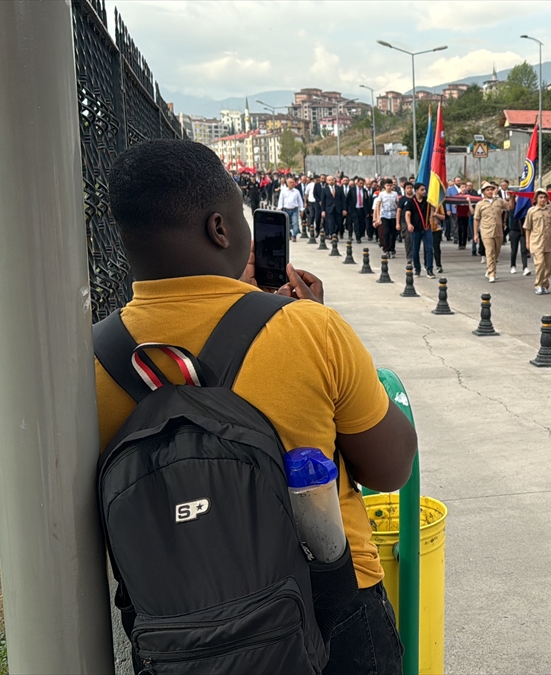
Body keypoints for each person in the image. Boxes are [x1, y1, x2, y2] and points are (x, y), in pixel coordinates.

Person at [99, 139, 416, 674]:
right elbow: (392, 468)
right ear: (220, 229)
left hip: (178, 630)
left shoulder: (93, 358)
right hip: (329, 613)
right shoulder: (309, 329)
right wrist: (310, 325)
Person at [523, 189, 551, 295]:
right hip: (537, 242)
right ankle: (538, 285)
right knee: (540, 264)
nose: (542, 200)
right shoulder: (531, 211)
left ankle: (545, 284)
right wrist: (527, 241)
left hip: (549, 242)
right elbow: (527, 227)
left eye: (545, 197)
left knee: (548, 266)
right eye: (540, 197)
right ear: (536, 199)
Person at [472, 181, 509, 282]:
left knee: (496, 252)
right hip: (486, 231)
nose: (489, 191)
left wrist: (513, 198)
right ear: (483, 192)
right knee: (490, 252)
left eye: (491, 189)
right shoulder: (480, 204)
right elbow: (476, 219)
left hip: (498, 230)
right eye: (487, 190)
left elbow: (509, 207)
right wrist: (475, 234)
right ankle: (492, 273)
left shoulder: (499, 201)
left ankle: (490, 269)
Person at [404, 182, 435, 278]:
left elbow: (433, 210)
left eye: (425, 189)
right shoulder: (411, 202)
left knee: (429, 249)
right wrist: (409, 224)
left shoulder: (428, 201)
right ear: (416, 191)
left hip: (427, 229)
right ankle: (417, 269)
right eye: (422, 190)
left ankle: (429, 270)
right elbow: (407, 214)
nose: (424, 191)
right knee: (415, 250)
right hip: (416, 230)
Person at [373, 179, 399, 257]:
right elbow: (378, 205)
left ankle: (392, 249)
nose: (389, 187)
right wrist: (378, 217)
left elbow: (397, 204)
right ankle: (386, 249)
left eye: (390, 185)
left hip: (393, 215)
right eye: (387, 185)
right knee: (386, 232)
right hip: (384, 215)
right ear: (385, 186)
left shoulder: (395, 194)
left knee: (393, 233)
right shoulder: (381, 194)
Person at [278, 176, 304, 242]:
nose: (292, 184)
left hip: (294, 209)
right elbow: (281, 200)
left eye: (293, 182)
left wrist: (301, 210)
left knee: (295, 223)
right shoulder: (283, 191)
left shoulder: (297, 192)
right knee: (286, 223)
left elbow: (300, 201)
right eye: (290, 182)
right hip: (286, 209)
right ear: (287, 183)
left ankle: (294, 235)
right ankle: (288, 234)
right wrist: (280, 208)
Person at [320, 175, 344, 241]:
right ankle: (332, 235)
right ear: (327, 181)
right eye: (329, 180)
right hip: (329, 209)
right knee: (331, 222)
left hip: (338, 208)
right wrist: (323, 211)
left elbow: (343, 199)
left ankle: (335, 233)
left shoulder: (339, 189)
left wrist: (344, 209)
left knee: (338, 223)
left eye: (332, 180)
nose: (331, 181)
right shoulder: (325, 189)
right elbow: (323, 201)